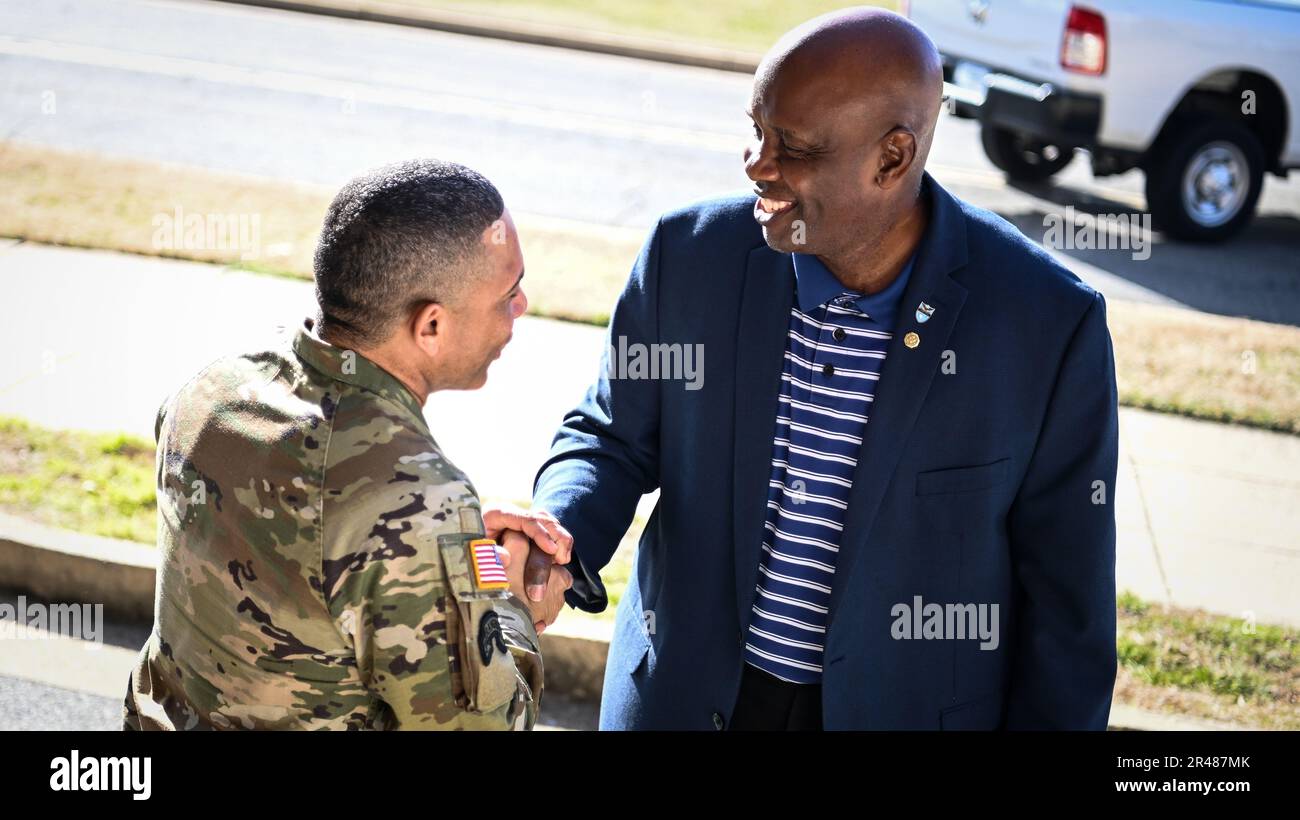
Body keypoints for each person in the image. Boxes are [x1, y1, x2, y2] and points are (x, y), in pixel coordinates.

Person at [530, 8, 1119, 730]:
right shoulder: (690, 257)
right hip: (682, 703)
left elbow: (1068, 610)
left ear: (892, 158)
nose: (756, 162)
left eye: (795, 148)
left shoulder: (1047, 325)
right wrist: (555, 537)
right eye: (756, 128)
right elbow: (610, 437)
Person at [123, 159, 573, 731]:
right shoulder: (419, 502)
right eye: (507, 294)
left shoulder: (212, 391)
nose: (522, 307)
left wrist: (462, 555)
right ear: (430, 327)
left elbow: (306, 550)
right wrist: (506, 604)